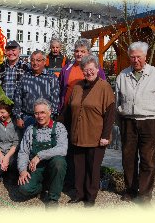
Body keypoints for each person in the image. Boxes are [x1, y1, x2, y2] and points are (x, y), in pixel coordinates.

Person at [115, 41, 155, 204]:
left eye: (138, 57)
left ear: (145, 56)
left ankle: (145, 195)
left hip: (149, 122)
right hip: (128, 122)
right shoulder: (122, 76)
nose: (135, 60)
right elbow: (117, 100)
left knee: (148, 158)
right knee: (128, 158)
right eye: (132, 57)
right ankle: (131, 190)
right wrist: (121, 119)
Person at [64, 55, 115, 207]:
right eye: (85, 70)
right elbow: (68, 110)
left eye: (91, 69)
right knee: (79, 166)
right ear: (82, 71)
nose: (89, 72)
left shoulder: (104, 86)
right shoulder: (78, 86)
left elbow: (110, 113)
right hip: (78, 134)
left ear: (98, 70)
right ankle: (79, 194)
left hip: (96, 136)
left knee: (93, 168)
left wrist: (106, 135)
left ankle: (91, 197)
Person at [58, 38, 106, 192]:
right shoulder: (68, 68)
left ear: (88, 53)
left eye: (82, 51)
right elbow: (61, 90)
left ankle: (88, 184)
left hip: (88, 115)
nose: (79, 54)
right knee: (70, 149)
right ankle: (71, 181)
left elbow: (102, 90)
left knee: (86, 149)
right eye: (77, 51)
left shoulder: (95, 69)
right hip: (69, 112)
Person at [17, 98, 68, 207]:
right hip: (36, 169)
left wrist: (39, 156)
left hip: (52, 166)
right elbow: (23, 152)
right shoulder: (30, 129)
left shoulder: (59, 127)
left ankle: (53, 198)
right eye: (36, 113)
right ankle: (44, 186)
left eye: (42, 112)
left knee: (59, 162)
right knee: (24, 189)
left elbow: (63, 149)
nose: (40, 116)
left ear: (50, 112)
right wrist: (22, 170)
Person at [13, 50, 60, 130]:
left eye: (38, 60)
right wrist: (18, 117)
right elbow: (17, 98)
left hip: (46, 119)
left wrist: (51, 117)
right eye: (32, 60)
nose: (35, 63)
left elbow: (55, 100)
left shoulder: (51, 78)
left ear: (44, 62)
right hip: (27, 118)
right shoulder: (24, 77)